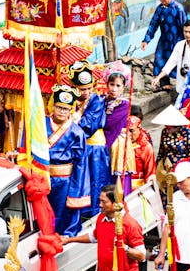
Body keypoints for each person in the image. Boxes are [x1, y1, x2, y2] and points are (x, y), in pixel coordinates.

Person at [46, 85, 90, 236]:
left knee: (61, 214)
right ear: (53, 105)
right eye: (59, 107)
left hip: (65, 180)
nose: (61, 112)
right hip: (43, 176)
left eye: (66, 109)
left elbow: (81, 164)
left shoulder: (77, 132)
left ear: (70, 110)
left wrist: (77, 190)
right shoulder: (42, 125)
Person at [71, 62, 109, 217]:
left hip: (95, 148)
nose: (86, 92)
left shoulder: (97, 101)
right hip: (81, 147)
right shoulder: (72, 100)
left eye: (88, 88)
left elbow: (89, 125)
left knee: (95, 181)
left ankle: (96, 213)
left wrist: (75, 120)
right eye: (82, 89)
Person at [151, 20, 190, 97]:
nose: (187, 34)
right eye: (185, 31)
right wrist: (158, 78)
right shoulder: (179, 45)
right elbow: (170, 63)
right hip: (181, 87)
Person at [141, 0, 187, 77]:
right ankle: (164, 83)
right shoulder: (160, 9)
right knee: (159, 59)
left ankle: (181, 83)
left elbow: (185, 26)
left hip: (177, 39)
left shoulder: (178, 8)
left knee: (178, 62)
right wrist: (146, 40)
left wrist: (186, 42)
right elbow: (153, 24)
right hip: (164, 39)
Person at [110, 115, 156, 190]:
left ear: (139, 129)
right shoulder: (117, 145)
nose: (128, 134)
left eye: (131, 131)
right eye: (126, 131)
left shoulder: (146, 147)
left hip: (138, 189)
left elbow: (150, 172)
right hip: (118, 186)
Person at [154, 105, 190, 170]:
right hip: (166, 166)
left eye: (169, 127)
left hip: (181, 167)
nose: (167, 129)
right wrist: (156, 167)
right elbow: (161, 151)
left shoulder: (187, 133)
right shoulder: (164, 132)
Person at [103, 71, 131, 154]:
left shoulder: (124, 104)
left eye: (118, 86)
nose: (114, 89)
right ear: (107, 84)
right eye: (112, 84)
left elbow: (107, 122)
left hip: (116, 140)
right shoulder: (102, 99)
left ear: (123, 87)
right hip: (102, 137)